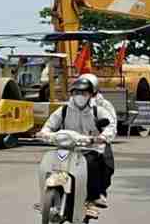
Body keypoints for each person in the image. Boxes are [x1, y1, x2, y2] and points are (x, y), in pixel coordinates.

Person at [40, 72, 118, 207]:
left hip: (91, 147)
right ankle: (47, 197)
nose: (80, 96)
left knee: (93, 164)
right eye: (76, 92)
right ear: (72, 94)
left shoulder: (99, 109)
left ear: (91, 94)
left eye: (84, 93)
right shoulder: (64, 110)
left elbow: (111, 126)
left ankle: (95, 196)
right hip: (68, 147)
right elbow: (49, 125)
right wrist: (44, 133)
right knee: (52, 162)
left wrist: (102, 137)